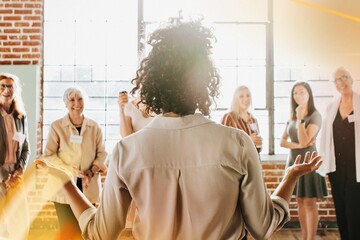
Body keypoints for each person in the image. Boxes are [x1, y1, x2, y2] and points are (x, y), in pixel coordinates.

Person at [37, 18, 323, 240]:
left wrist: (65, 183)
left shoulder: (127, 150)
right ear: (204, 81)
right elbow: (262, 226)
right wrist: (288, 179)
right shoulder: (236, 142)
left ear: (150, 84)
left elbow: (101, 233)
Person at [43, 86, 107, 239]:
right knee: (68, 231)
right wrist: (68, 169)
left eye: (80, 99)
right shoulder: (57, 126)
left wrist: (93, 169)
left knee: (87, 229)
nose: (76, 103)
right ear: (66, 103)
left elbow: (102, 153)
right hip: (64, 186)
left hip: (88, 184)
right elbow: (49, 155)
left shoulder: (94, 126)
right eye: (72, 100)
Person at [280, 81, 328, 240]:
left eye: (302, 92)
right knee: (299, 200)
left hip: (309, 161)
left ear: (309, 94)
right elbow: (283, 142)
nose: (298, 96)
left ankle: (311, 238)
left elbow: (305, 138)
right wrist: (298, 145)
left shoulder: (315, 115)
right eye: (295, 93)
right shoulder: (292, 115)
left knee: (309, 202)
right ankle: (304, 237)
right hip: (294, 161)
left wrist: (301, 120)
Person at [317, 67, 360, 240]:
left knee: (354, 208)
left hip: (357, 167)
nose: (342, 82)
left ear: (352, 79)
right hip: (336, 168)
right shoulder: (331, 107)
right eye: (337, 80)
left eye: (345, 77)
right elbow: (326, 137)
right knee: (341, 208)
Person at [0, 72, 30, 240]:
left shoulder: (21, 116)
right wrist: (5, 178)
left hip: (16, 175)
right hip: (0, 176)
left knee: (20, 222)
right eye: (2, 86)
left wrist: (19, 170)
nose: (6, 90)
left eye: (10, 86)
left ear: (15, 90)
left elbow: (26, 148)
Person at [118, 90, 154, 227]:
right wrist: (121, 110)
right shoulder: (130, 106)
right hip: (139, 158)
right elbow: (126, 136)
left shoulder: (163, 104)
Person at [221, 85, 263, 153]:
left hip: (251, 162)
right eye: (241, 96)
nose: (246, 99)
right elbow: (223, 144)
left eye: (248, 95)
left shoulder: (253, 120)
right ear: (236, 99)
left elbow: (257, 149)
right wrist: (247, 140)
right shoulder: (228, 117)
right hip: (235, 162)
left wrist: (259, 145)